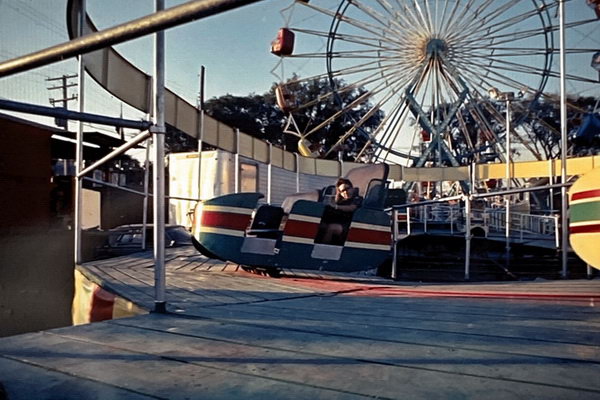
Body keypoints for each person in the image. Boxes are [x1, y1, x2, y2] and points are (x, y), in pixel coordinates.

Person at [321, 178, 362, 244]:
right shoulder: (341, 200)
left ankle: (323, 249)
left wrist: (336, 207)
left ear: (352, 188)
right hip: (338, 222)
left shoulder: (357, 199)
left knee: (331, 228)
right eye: (342, 191)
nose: (346, 192)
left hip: (350, 226)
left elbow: (352, 208)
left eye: (348, 189)